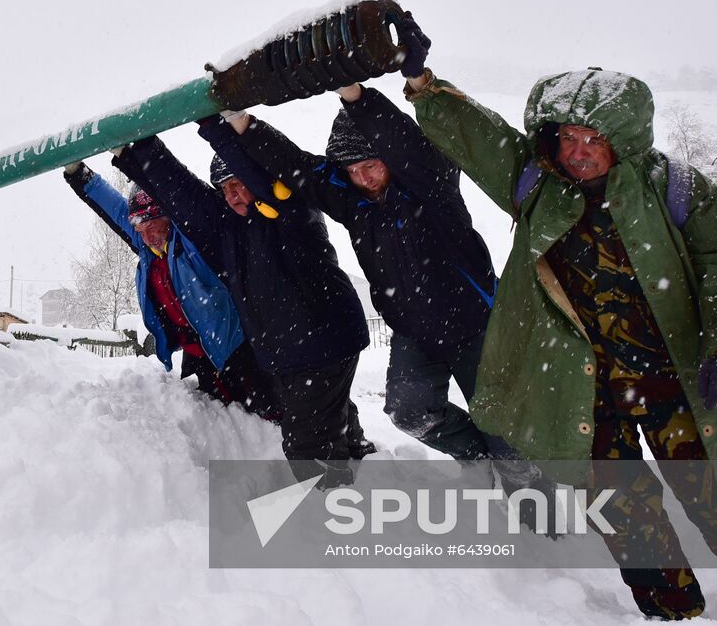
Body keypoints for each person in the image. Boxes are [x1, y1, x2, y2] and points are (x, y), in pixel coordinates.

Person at [404, 56, 717, 626]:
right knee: (629, 523)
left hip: (677, 387)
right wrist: (425, 87)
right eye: (566, 137)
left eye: (592, 138)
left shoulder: (675, 189)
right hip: (583, 397)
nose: (577, 150)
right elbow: (483, 140)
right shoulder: (538, 186)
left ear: (623, 139)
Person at [214, 67, 497, 462]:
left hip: (475, 323)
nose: (362, 178)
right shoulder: (355, 203)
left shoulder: (430, 185)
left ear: (390, 161)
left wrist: (355, 96)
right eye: (352, 171)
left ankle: (540, 510)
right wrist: (244, 125)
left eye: (371, 166)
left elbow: (404, 142)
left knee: (505, 427)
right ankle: (481, 458)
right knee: (410, 412)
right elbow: (299, 166)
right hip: (414, 330)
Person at [113, 124, 375, 486]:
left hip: (322, 340)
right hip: (289, 349)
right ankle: (359, 462)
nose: (234, 195)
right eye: (226, 189)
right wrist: (135, 153)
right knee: (319, 425)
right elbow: (183, 194)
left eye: (240, 183)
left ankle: (333, 506)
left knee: (307, 446)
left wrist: (220, 127)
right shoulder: (229, 228)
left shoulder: (290, 210)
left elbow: (267, 169)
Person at [62, 162, 281, 419]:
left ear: (168, 216)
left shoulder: (192, 240)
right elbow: (114, 208)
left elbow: (185, 196)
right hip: (199, 357)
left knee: (266, 423)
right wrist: (79, 176)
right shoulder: (147, 249)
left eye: (153, 226)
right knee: (216, 429)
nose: (147, 236)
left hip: (238, 351)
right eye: (140, 230)